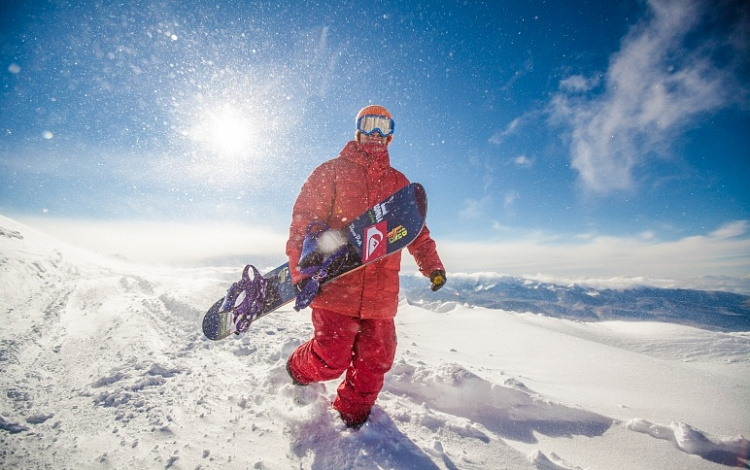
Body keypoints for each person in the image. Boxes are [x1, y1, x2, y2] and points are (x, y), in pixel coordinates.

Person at [285, 104, 447, 429]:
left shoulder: (399, 183)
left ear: (391, 136)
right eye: (369, 124)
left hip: (381, 294)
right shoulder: (331, 171)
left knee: (378, 358)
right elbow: (303, 221)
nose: (375, 133)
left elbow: (417, 232)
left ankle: (352, 416)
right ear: (357, 130)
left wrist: (432, 266)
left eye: (383, 126)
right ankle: (297, 370)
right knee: (331, 356)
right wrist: (300, 269)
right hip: (336, 288)